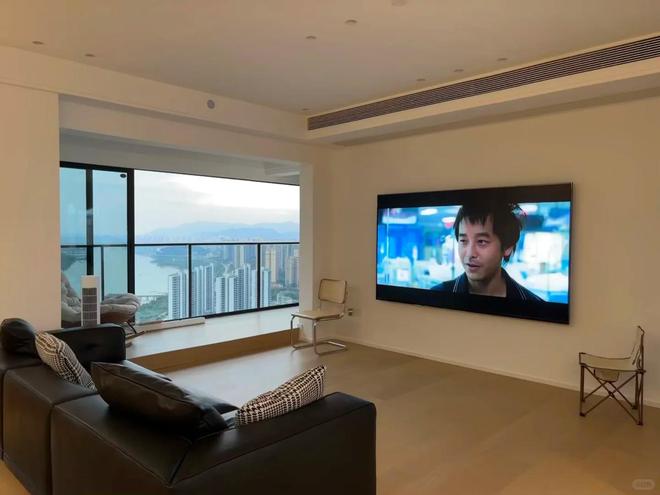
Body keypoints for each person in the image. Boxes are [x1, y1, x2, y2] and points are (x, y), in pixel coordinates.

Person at [431, 200, 543, 301]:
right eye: (463, 241)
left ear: (507, 247)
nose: (470, 254)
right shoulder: (437, 297)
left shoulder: (532, 306)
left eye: (481, 241)